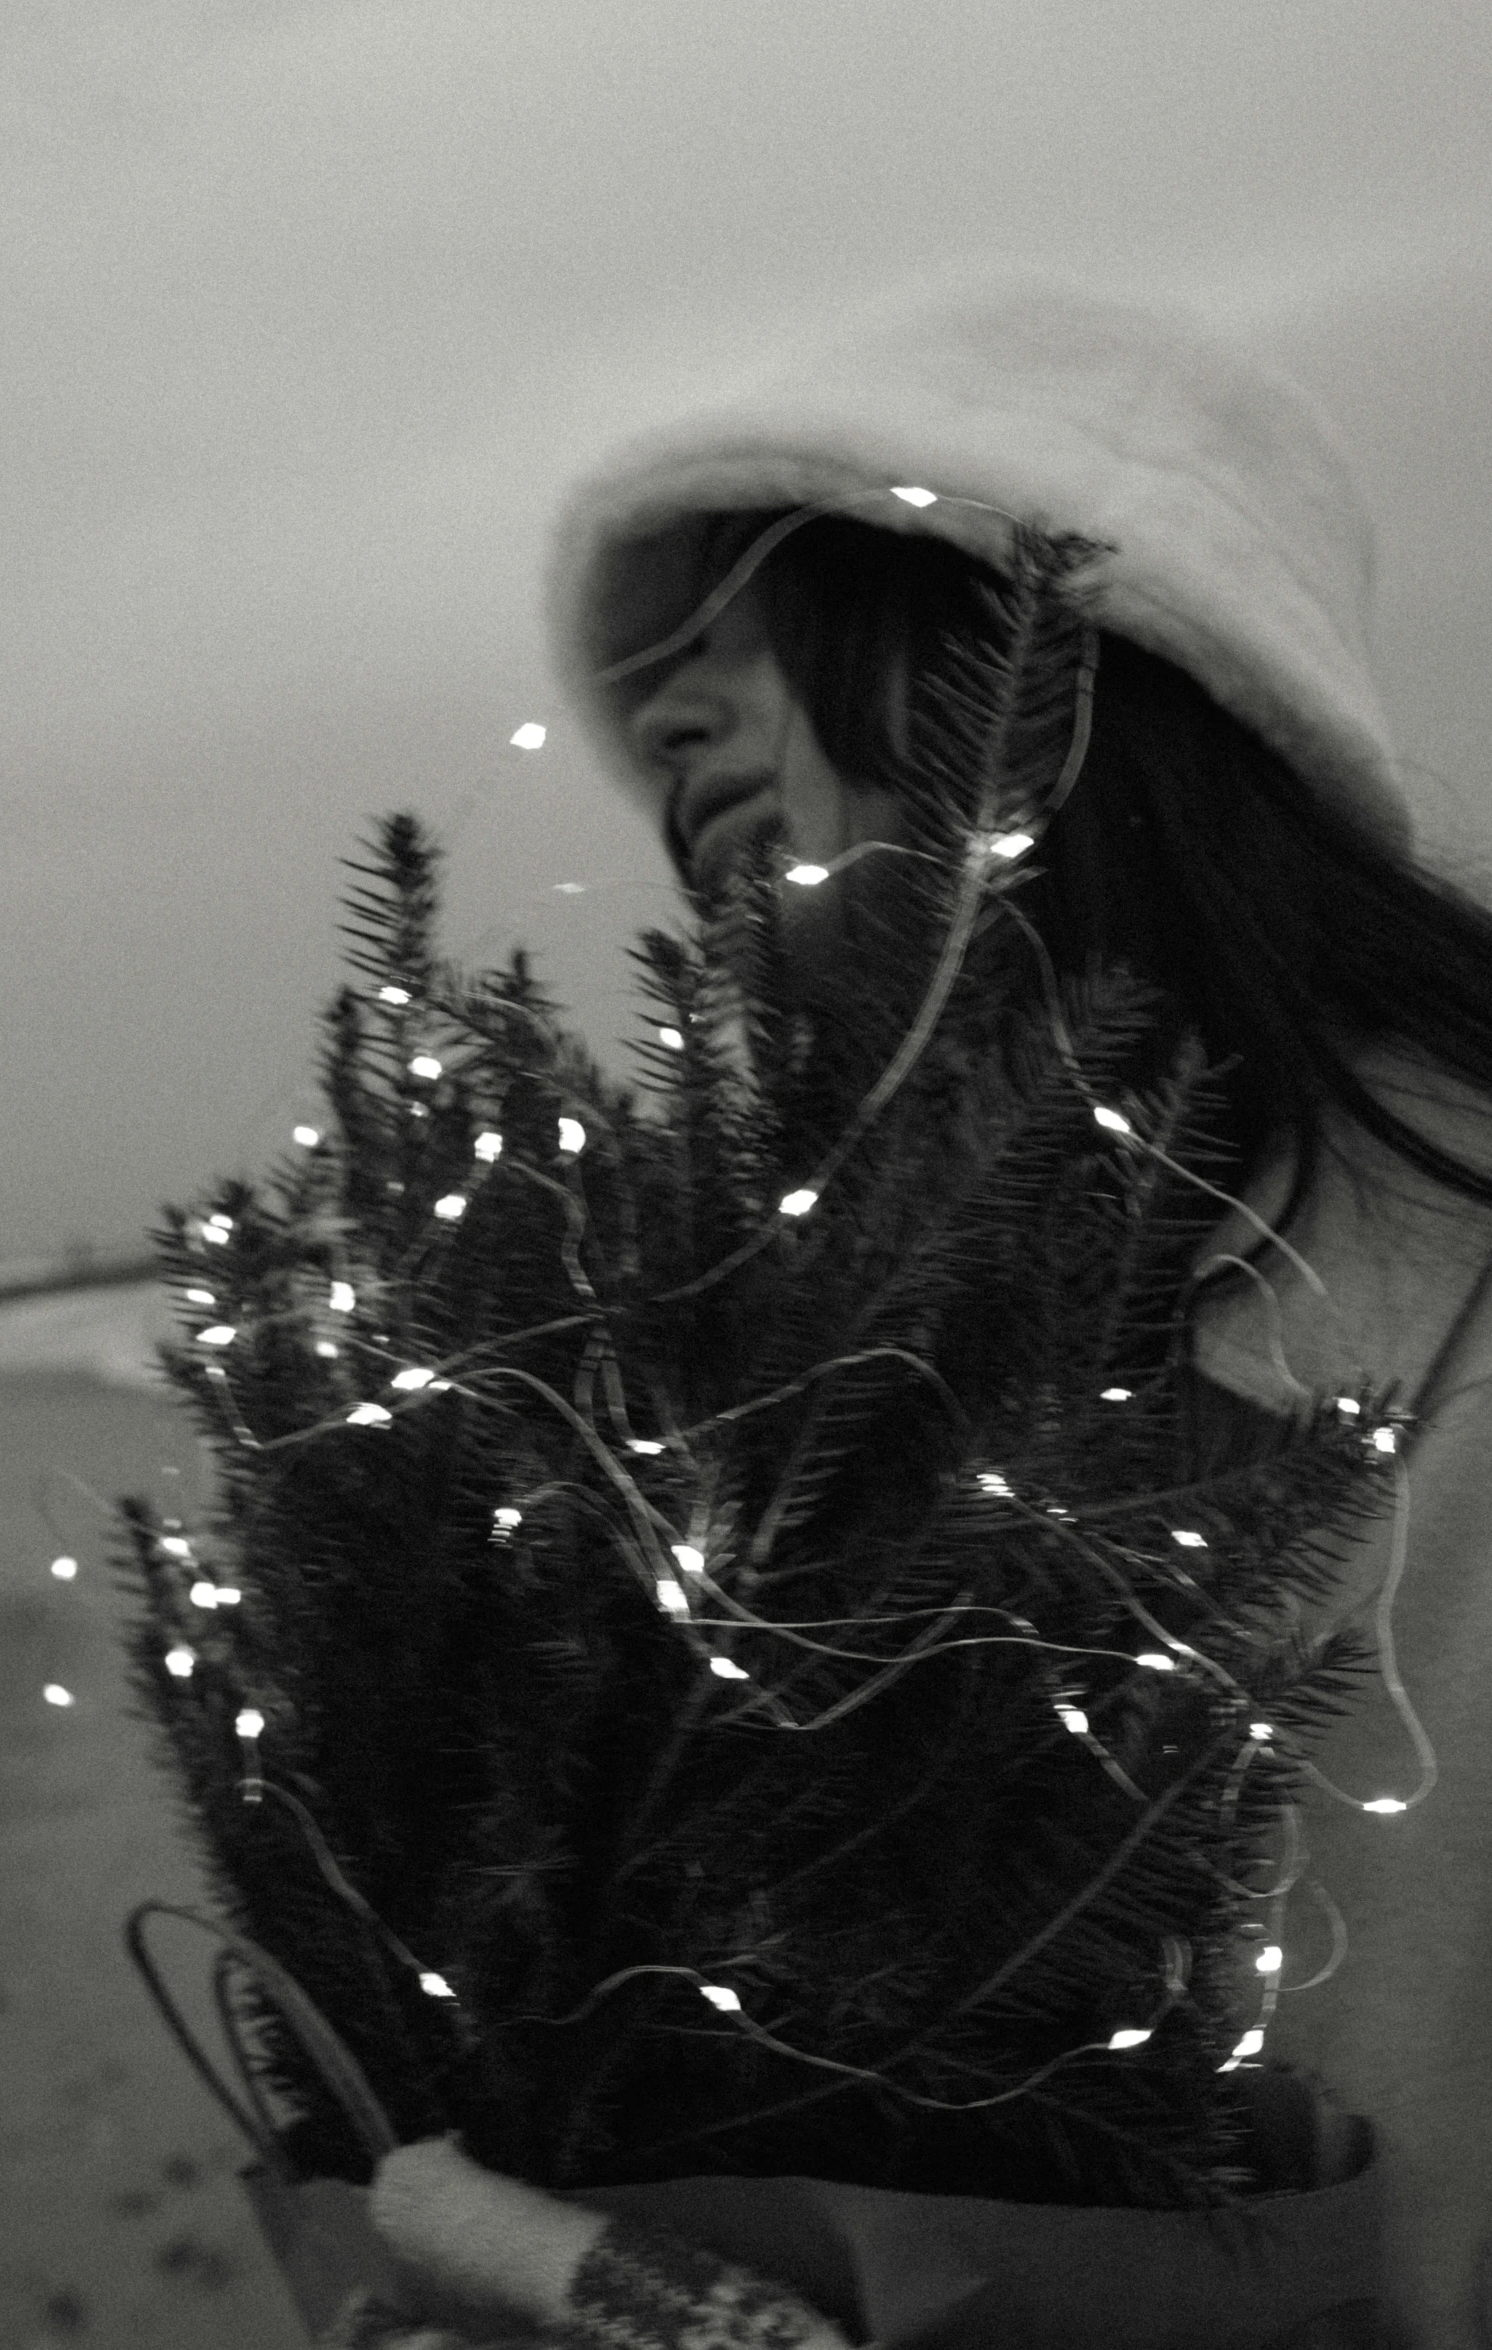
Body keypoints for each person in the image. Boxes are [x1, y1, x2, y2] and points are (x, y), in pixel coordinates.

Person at [346, 271, 1492, 2348]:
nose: (663, 719)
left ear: (1046, 648)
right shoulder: (778, 1409)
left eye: (738, 623)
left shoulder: (1447, 1340)